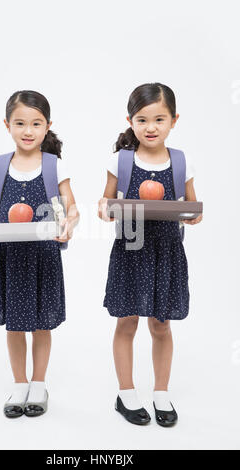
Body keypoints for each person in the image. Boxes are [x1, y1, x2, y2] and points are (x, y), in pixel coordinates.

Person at [98, 82, 202, 427]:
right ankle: (126, 392)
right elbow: (106, 202)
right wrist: (106, 208)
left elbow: (192, 206)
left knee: (161, 324)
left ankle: (161, 392)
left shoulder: (181, 161)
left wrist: (194, 213)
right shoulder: (122, 160)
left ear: (174, 120)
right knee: (126, 322)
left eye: (159, 119)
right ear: (130, 121)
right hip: (131, 251)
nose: (151, 127)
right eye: (142, 120)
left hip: (167, 252)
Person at [0, 90, 79, 418]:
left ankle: (38, 383)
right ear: (7, 125)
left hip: (44, 257)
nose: (28, 130)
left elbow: (72, 209)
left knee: (41, 325)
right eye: (20, 123)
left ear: (48, 126)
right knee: (15, 326)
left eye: (36, 123)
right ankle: (19, 384)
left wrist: (69, 224)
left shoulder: (53, 166)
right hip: (11, 258)